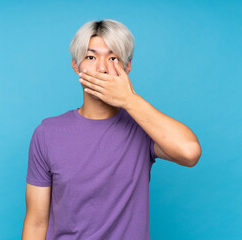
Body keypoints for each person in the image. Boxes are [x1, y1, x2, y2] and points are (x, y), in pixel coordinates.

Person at [22, 19, 202, 240]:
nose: (102, 67)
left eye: (113, 57)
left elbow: (189, 152)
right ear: (75, 65)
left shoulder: (142, 127)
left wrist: (130, 99)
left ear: (126, 67)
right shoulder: (47, 133)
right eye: (90, 57)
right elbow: (36, 222)